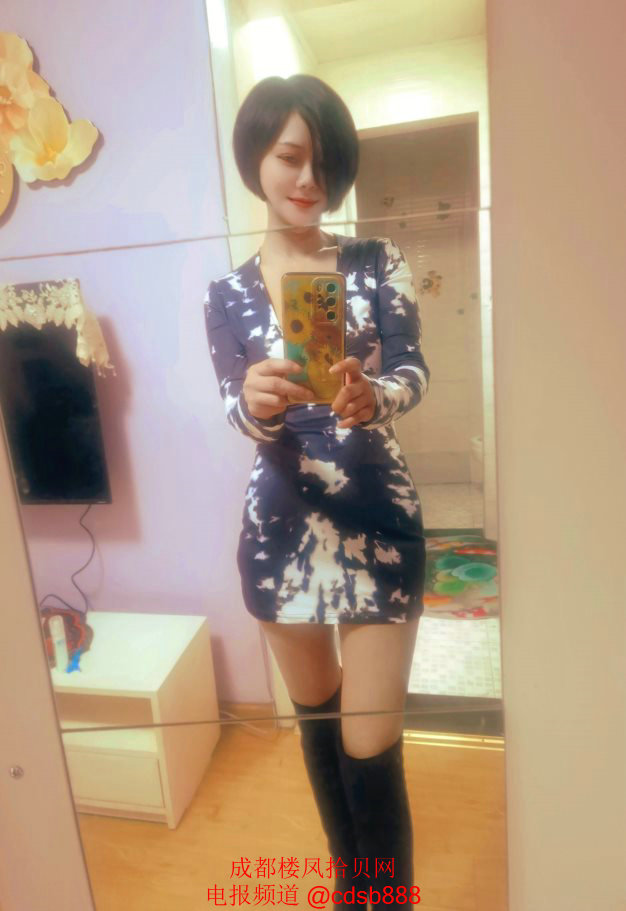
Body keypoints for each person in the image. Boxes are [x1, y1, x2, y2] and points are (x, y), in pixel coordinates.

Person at [204, 74, 430, 910]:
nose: (308, 179)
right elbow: (233, 405)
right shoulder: (226, 293)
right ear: (255, 160)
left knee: (371, 750)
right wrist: (256, 403)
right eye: (291, 157)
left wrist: (377, 396)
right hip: (281, 532)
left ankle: (384, 902)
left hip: (377, 521)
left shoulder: (376, 261)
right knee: (321, 731)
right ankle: (349, 893)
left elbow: (413, 368)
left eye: (325, 164)